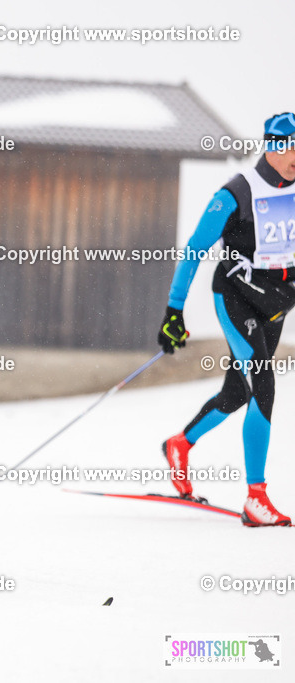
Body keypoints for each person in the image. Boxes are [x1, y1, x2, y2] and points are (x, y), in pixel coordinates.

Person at [157, 112, 295, 527]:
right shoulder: (237, 193)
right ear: (271, 146)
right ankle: (256, 498)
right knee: (264, 385)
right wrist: (174, 311)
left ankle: (180, 444)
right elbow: (196, 247)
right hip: (236, 301)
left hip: (276, 305)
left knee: (238, 393)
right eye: (289, 147)